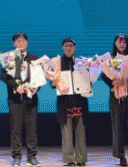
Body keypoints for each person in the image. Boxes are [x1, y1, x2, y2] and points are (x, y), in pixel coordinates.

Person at [1, 32, 41, 167]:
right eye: (18, 41)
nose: (21, 43)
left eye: (23, 40)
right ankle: (17, 157)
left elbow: (39, 77)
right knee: (16, 129)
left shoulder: (34, 58)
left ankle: (32, 157)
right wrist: (15, 86)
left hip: (31, 98)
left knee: (32, 128)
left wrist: (36, 88)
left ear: (27, 42)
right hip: (15, 98)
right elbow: (4, 76)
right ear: (14, 44)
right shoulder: (9, 58)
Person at [101, 33, 128, 167]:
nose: (122, 44)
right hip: (116, 96)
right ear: (115, 43)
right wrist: (112, 82)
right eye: (119, 42)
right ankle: (121, 156)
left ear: (127, 44)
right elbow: (104, 76)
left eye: (124, 42)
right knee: (117, 126)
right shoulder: (111, 59)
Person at [50, 38, 87, 167]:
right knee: (66, 132)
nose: (68, 48)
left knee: (80, 131)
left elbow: (87, 79)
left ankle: (81, 159)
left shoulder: (81, 62)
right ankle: (69, 159)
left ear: (75, 47)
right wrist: (54, 83)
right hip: (64, 101)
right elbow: (53, 84)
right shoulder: (57, 63)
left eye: (71, 45)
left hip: (79, 101)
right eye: (66, 46)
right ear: (62, 47)